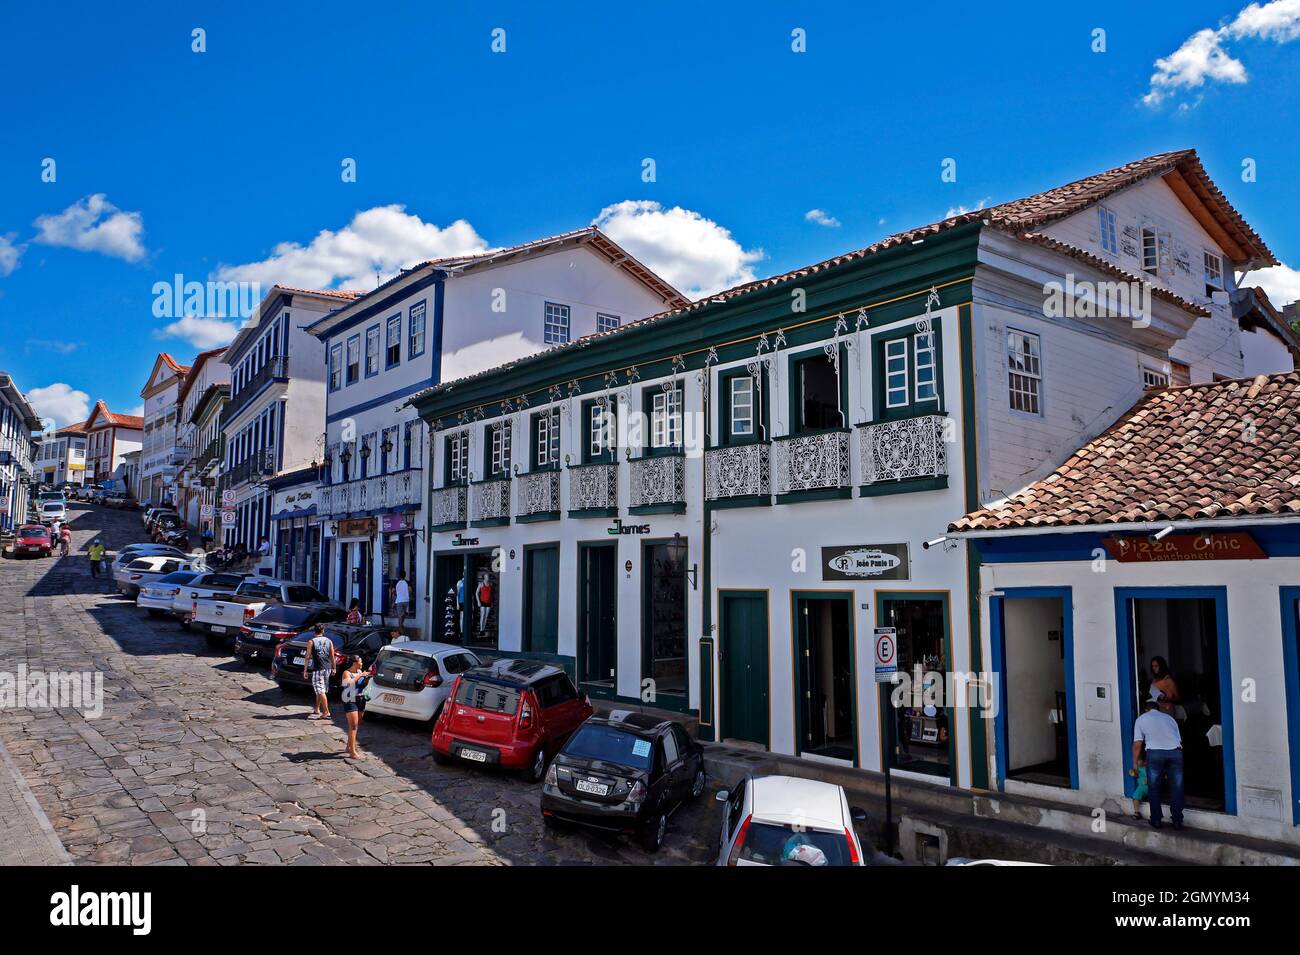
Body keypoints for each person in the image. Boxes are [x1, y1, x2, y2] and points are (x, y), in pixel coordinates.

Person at [1133, 698, 1184, 830]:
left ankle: (1156, 820)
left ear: (1145, 709)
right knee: (1177, 787)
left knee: (1154, 787)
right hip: (1175, 752)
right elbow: (1178, 740)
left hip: (1155, 753)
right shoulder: (1169, 719)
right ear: (1158, 708)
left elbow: (1138, 744)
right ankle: (1177, 821)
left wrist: (1135, 764)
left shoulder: (1141, 719)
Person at [302, 624, 335, 721]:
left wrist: (305, 670)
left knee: (320, 690)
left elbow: (307, 657)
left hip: (318, 668)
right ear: (323, 631)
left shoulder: (311, 641)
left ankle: (326, 711)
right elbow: (332, 656)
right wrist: (334, 668)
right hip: (327, 668)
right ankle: (317, 708)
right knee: (321, 689)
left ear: (314, 631)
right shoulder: (329, 641)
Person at [340, 655, 369, 759]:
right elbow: (348, 684)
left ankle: (349, 746)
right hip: (350, 699)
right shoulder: (346, 673)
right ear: (355, 663)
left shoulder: (360, 672)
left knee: (356, 725)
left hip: (361, 699)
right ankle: (352, 752)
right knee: (353, 726)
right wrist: (360, 676)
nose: (362, 664)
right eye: (360, 662)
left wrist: (366, 677)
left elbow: (362, 685)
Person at [1128, 753, 1149, 820]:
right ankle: (1137, 813)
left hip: (1151, 788)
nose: (1137, 762)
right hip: (1141, 788)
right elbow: (1136, 774)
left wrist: (1149, 780)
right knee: (1136, 796)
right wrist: (1133, 773)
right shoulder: (1139, 768)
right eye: (1137, 761)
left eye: (1139, 760)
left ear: (1145, 762)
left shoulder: (1149, 768)